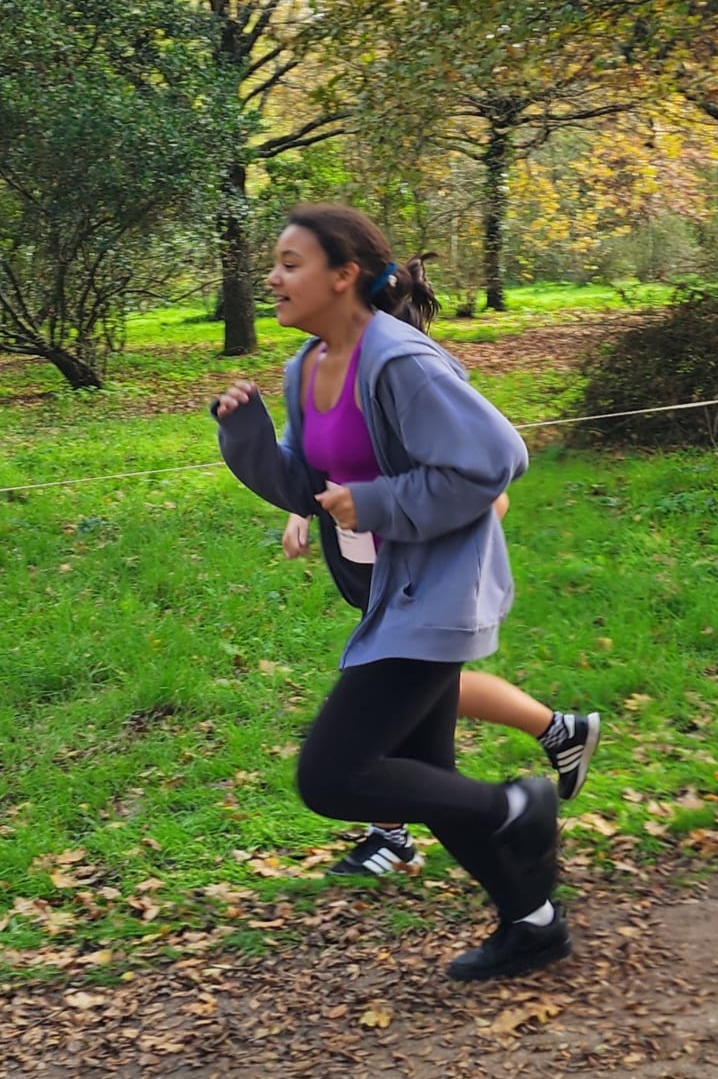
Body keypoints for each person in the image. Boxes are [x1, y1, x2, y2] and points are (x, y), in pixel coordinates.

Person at [214, 202, 571, 980]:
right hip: (384, 589)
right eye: (275, 264)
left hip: (437, 590)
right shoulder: (306, 366)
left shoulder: (400, 360)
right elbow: (305, 487)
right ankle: (534, 923)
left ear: (344, 275)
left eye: (291, 263)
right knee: (427, 774)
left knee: (332, 774)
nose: (272, 278)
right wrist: (246, 440)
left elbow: (495, 460)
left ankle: (515, 807)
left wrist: (377, 503)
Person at [280, 505, 601, 877]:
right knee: (407, 700)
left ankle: (505, 808)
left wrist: (447, 556)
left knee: (383, 702)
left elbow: (488, 493)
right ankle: (555, 738)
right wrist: (302, 508)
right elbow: (325, 468)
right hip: (382, 577)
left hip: (421, 587)